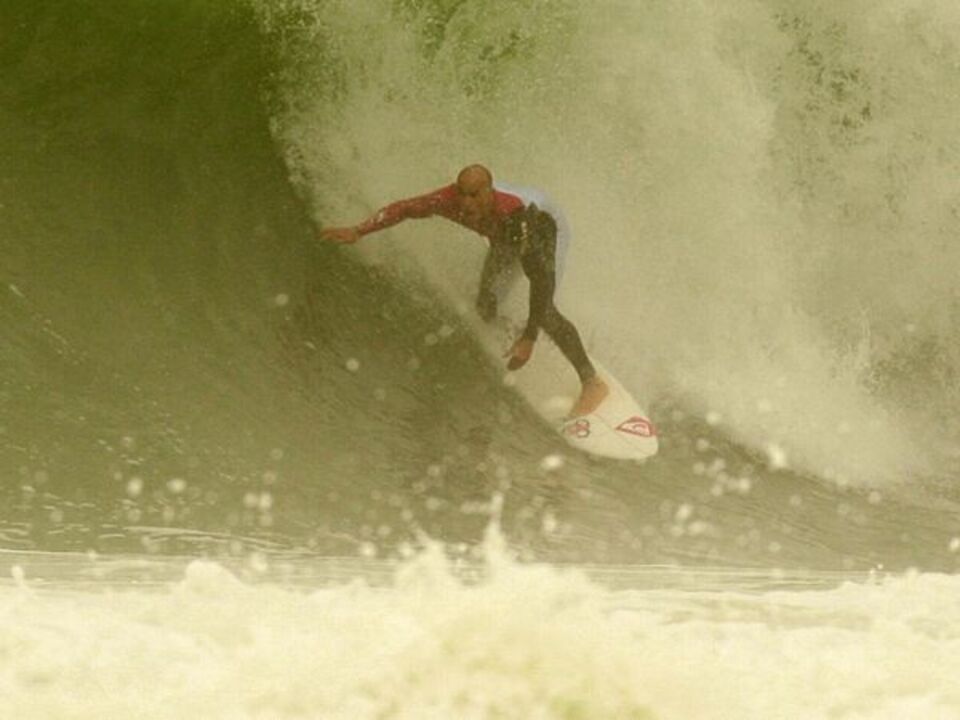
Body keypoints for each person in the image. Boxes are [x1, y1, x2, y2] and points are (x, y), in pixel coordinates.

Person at [319, 164, 609, 417]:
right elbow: (404, 208)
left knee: (544, 311)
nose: (466, 202)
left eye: (475, 195)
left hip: (544, 227)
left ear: (489, 192)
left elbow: (540, 281)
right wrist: (359, 230)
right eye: (462, 193)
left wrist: (530, 337)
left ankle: (592, 383)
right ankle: (514, 334)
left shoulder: (517, 216)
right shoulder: (447, 201)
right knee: (485, 303)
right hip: (502, 237)